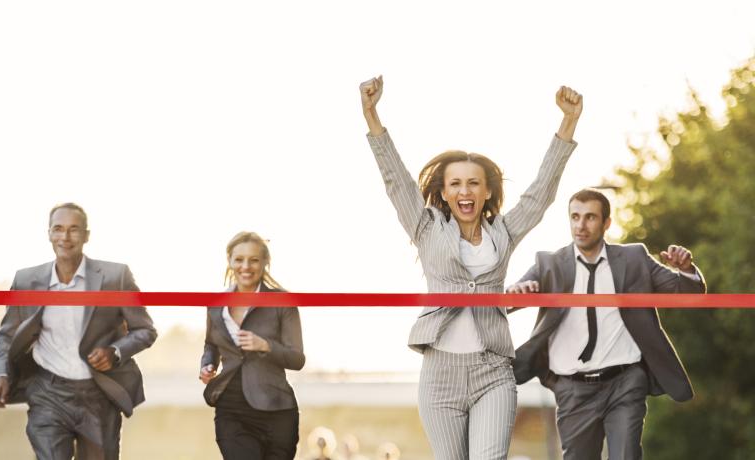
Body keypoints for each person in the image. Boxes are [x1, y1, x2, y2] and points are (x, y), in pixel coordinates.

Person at [360, 75, 582, 459]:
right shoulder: (426, 229)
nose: (466, 191)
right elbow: (396, 181)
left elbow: (541, 193)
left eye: (474, 184)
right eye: (457, 184)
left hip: (492, 370)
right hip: (440, 374)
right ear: (445, 193)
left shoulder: (504, 232)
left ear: (487, 191)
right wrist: (371, 114)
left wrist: (568, 123)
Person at [507, 188, 705, 460]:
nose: (581, 225)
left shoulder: (635, 259)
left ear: (606, 223)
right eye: (575, 217)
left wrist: (685, 270)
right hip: (572, 387)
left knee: (626, 455)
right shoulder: (549, 263)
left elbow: (689, 294)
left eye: (590, 217)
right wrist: (517, 292)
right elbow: (507, 302)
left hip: (624, 382)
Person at [0, 203, 157, 460]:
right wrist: (1, 374)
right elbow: (7, 336)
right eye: (58, 229)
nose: (65, 238)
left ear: (86, 235)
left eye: (73, 230)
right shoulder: (26, 280)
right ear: (48, 234)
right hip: (48, 393)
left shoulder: (115, 276)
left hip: (98, 396)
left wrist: (114, 352)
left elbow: (145, 329)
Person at [200, 231, 305, 459]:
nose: (246, 266)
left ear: (265, 263)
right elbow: (211, 345)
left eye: (254, 259)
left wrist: (266, 346)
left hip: (277, 411)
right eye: (239, 259)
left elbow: (297, 359)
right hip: (231, 408)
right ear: (229, 261)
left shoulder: (283, 302)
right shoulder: (215, 304)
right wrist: (208, 365)